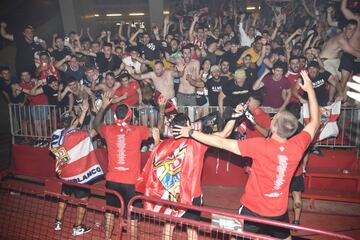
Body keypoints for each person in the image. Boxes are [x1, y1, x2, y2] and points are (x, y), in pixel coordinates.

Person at [173, 70, 320, 240]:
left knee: (236, 236)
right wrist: (310, 90)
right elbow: (315, 122)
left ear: (273, 127)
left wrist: (189, 132)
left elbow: (220, 142)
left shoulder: (260, 146)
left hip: (252, 208)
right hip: (278, 211)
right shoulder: (298, 146)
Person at [136, 111, 238, 240]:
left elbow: (156, 160)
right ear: (189, 125)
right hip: (191, 195)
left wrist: (157, 139)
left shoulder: (164, 145)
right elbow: (225, 134)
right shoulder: (198, 143)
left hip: (171, 194)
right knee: (192, 229)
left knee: (168, 227)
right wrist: (235, 115)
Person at [93, 92, 158, 240]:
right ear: (129, 116)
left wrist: (103, 107)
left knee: (110, 212)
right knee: (133, 216)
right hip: (131, 183)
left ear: (115, 116)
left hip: (112, 180)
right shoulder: (138, 130)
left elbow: (96, 124)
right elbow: (156, 130)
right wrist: (160, 107)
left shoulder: (108, 130)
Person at [50, 100, 103, 236]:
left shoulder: (56, 134)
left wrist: (84, 111)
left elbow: (74, 126)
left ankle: (58, 222)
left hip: (64, 173)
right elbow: (96, 130)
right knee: (83, 200)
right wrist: (98, 112)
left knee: (64, 196)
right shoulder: (80, 135)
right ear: (73, 122)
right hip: (79, 175)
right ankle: (77, 227)